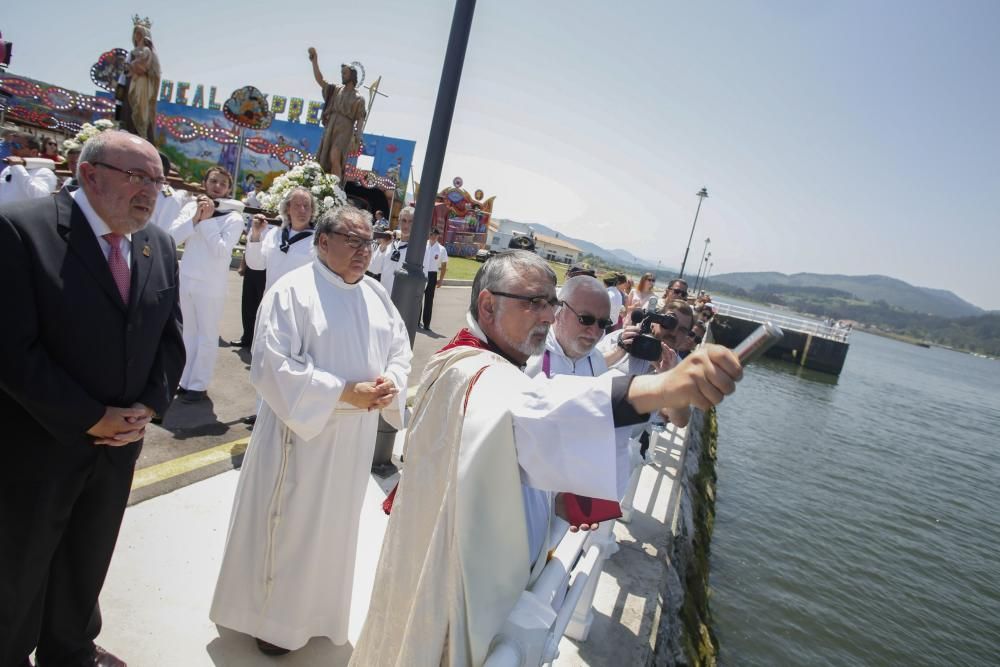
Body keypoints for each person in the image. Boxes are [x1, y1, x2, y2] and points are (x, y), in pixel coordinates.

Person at [350, 251, 742, 666]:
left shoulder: (488, 360)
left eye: (551, 303)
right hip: (453, 572)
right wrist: (661, 388)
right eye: (533, 302)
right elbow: (539, 409)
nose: (546, 315)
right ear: (488, 305)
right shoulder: (473, 371)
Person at [0, 130, 184, 667]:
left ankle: (70, 651)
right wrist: (88, 417)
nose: (151, 191)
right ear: (90, 174)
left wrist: (147, 407)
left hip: (118, 445)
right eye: (138, 177)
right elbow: (12, 350)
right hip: (37, 446)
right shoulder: (22, 231)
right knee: (19, 568)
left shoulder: (158, 245)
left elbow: (169, 338)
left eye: (158, 180)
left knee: (87, 559)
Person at [210, 206, 411, 656]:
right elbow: (271, 366)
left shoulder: (377, 295)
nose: (365, 251)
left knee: (334, 530)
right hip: (302, 439)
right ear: (324, 242)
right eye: (353, 241)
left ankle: (318, 615)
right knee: (292, 527)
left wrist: (389, 383)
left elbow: (400, 349)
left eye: (369, 241)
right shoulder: (293, 292)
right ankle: (273, 622)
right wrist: (344, 391)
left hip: (352, 442)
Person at [523, 275, 622, 554]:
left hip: (570, 504)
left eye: (603, 324)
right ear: (559, 310)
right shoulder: (528, 358)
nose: (594, 332)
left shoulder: (598, 363)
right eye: (586, 319)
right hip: (527, 495)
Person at [166, 166, 244, 403]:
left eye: (222, 183)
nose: (217, 186)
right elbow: (172, 238)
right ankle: (185, 379)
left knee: (207, 335)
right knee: (187, 333)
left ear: (229, 188)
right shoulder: (192, 207)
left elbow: (222, 252)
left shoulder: (234, 218)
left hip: (211, 284)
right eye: (213, 181)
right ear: (205, 183)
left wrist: (208, 222)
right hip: (187, 278)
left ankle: (198, 385)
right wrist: (196, 218)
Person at [308, 47, 366, 181]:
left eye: (345, 73)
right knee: (326, 156)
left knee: (335, 155)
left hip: (345, 128)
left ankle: (335, 188)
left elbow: (360, 119)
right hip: (332, 126)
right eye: (342, 73)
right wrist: (314, 61)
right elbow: (320, 80)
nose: (342, 75)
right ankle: (326, 183)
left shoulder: (359, 98)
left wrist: (357, 138)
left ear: (352, 75)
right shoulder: (336, 90)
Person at [245, 186, 317, 292]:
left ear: (312, 210)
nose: (302, 210)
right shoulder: (275, 233)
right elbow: (256, 265)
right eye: (297, 205)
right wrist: (256, 234)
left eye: (306, 206)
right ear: (288, 208)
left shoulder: (317, 241)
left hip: (299, 305)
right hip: (271, 301)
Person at [123, 20, 160, 142]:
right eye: (135, 33)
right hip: (132, 81)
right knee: (131, 104)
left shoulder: (146, 51)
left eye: (139, 33)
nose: (137, 35)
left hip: (142, 83)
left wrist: (133, 66)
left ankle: (141, 133)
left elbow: (144, 66)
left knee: (140, 106)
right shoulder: (131, 52)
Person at [0, 134, 58, 205]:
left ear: (33, 152)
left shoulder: (45, 172)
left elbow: (40, 197)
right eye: (12, 145)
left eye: (17, 146)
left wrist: (18, 167)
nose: (12, 149)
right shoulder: (8, 169)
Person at [380, 205, 419, 296]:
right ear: (399, 221)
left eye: (410, 222)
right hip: (384, 297)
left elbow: (421, 282)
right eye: (404, 220)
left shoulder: (419, 248)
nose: (406, 225)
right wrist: (383, 246)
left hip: (403, 300)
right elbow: (374, 268)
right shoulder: (389, 242)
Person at [420, 227, 448, 330]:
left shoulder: (441, 249)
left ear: (438, 236)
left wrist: (441, 279)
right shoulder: (423, 244)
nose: (433, 237)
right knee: (418, 298)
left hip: (432, 275)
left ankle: (426, 323)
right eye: (432, 234)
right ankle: (416, 321)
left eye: (436, 235)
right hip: (421, 272)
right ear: (429, 234)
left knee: (429, 300)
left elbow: (444, 265)